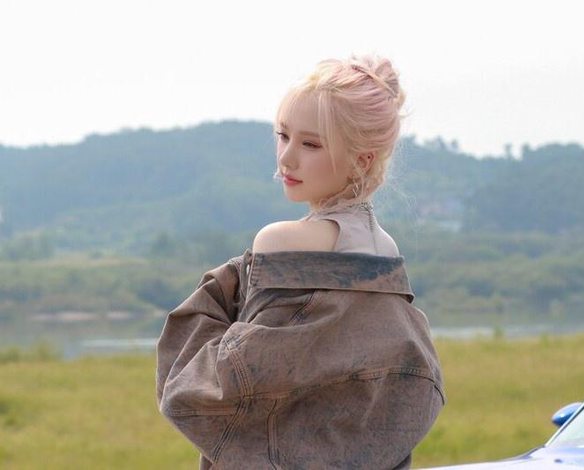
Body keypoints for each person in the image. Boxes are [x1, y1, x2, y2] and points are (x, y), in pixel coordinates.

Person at [156, 54, 445, 469]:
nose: (287, 158)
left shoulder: (280, 240)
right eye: (283, 135)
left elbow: (223, 390)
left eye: (311, 144)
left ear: (362, 159)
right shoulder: (385, 250)